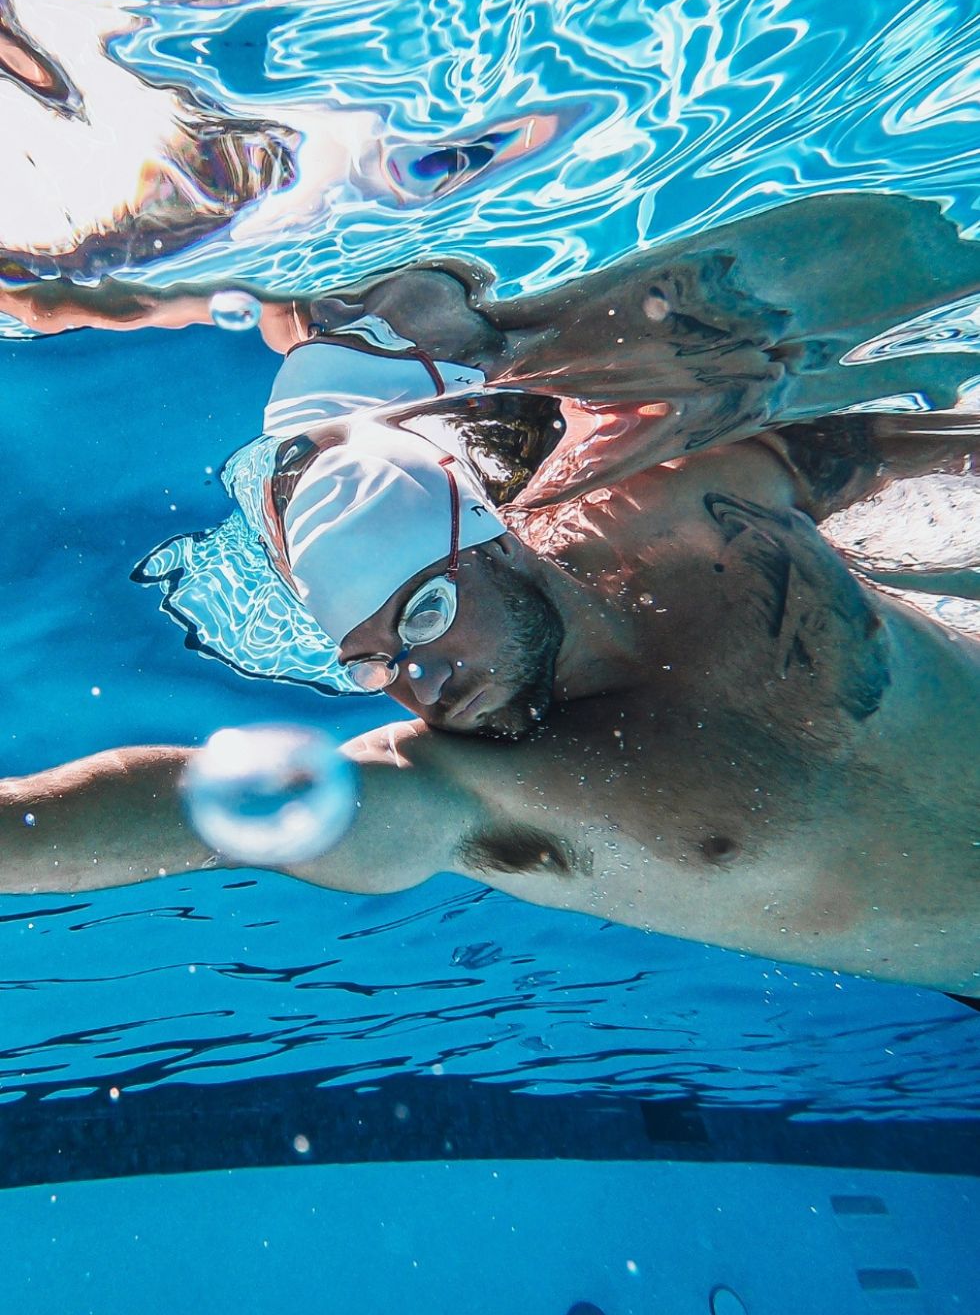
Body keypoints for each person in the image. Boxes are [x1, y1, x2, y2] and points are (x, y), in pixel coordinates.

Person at [2, 192, 979, 996]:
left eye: (421, 616)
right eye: (372, 663)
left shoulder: (699, 516)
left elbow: (902, 267)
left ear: (494, 546)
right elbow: (188, 801)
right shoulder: (486, 789)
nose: (417, 682)